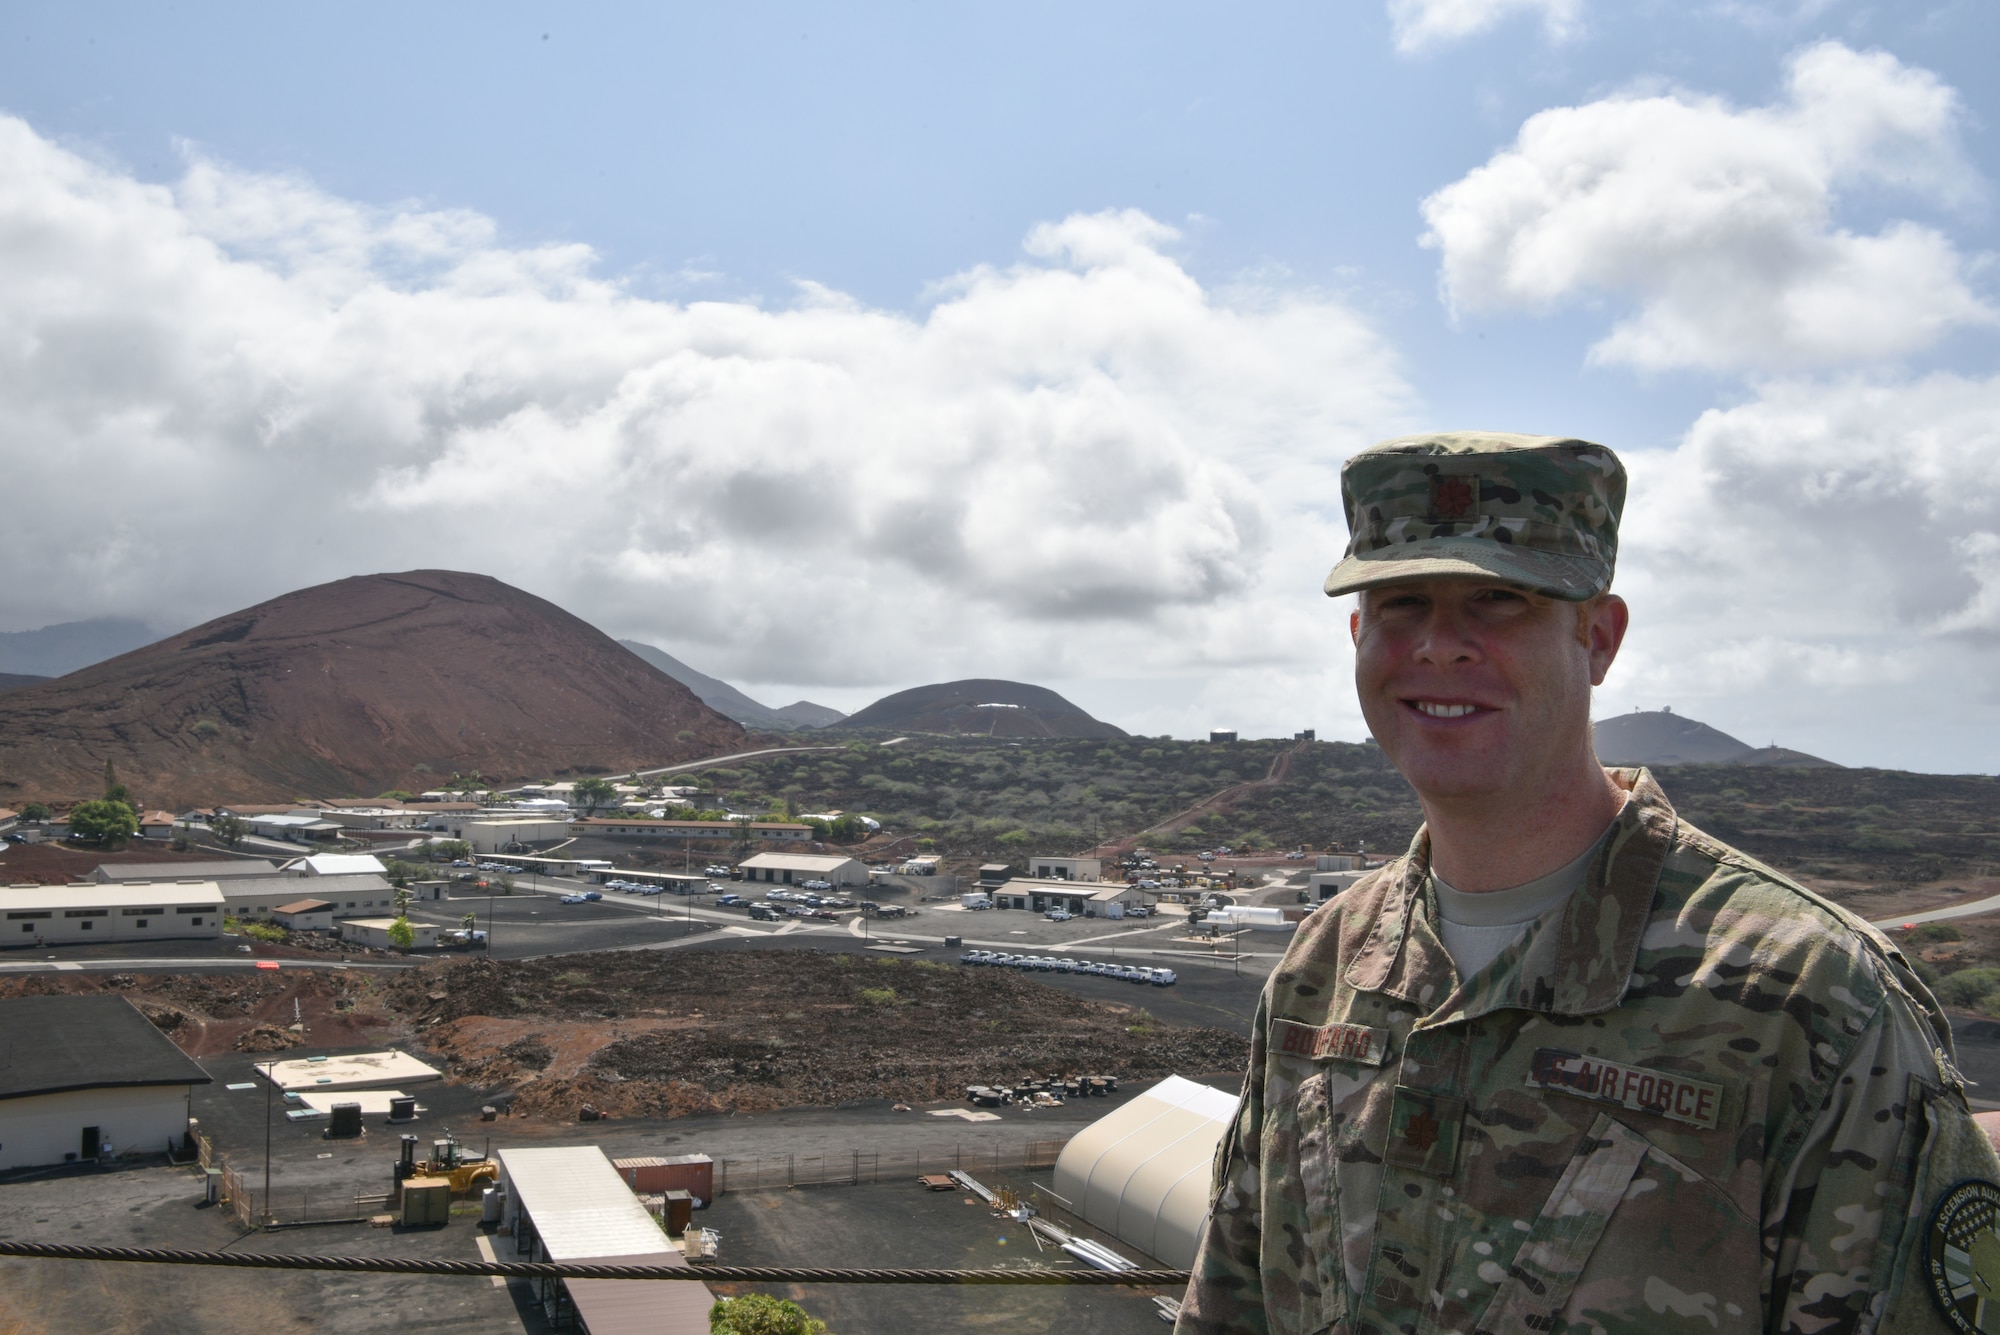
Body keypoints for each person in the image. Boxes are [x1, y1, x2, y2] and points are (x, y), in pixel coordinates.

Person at [1176, 432, 2000, 1335]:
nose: (1441, 646)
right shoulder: (1323, 964)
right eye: (1402, 603)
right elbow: (1231, 1304)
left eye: (1500, 602)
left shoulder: (1808, 999)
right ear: (1357, 637)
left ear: (1598, 637)